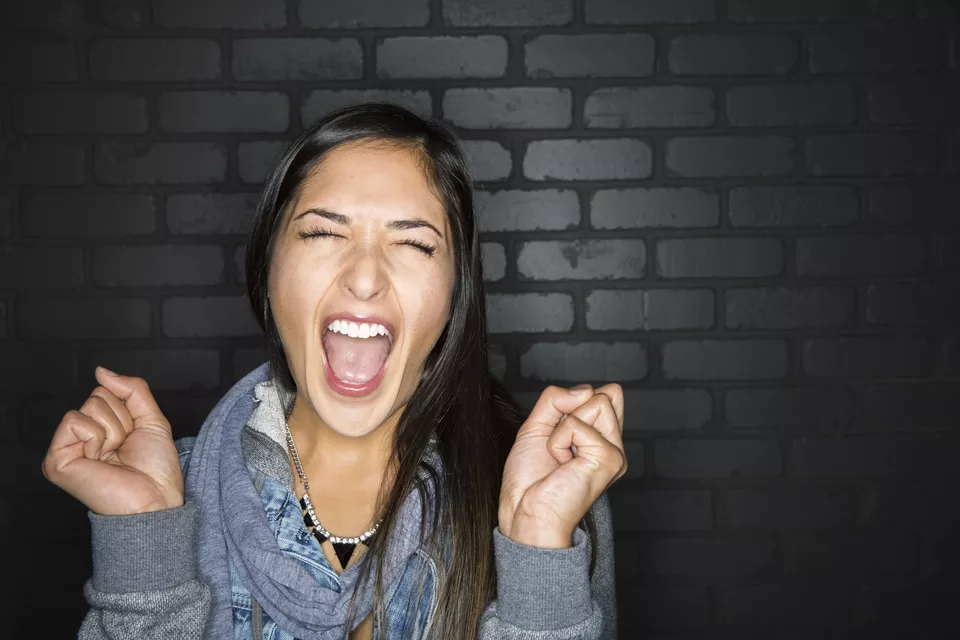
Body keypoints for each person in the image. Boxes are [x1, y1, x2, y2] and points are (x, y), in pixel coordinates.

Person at [42, 103, 628, 640]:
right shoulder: (173, 492)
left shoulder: (541, 493)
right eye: (323, 232)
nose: (365, 277)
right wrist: (147, 541)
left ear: (457, 293)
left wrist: (537, 549)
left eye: (415, 245)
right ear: (269, 268)